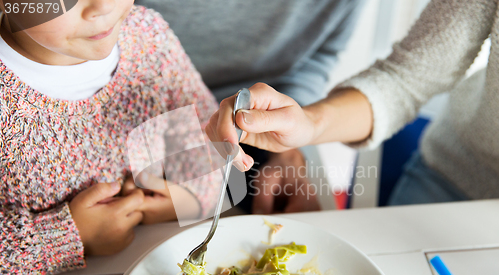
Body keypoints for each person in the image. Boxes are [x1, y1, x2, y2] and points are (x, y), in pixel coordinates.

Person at [0, 1, 220, 275]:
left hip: (155, 273)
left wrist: (189, 198)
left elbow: (208, 141)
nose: (102, 6)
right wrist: (68, 237)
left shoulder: (147, 34)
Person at [207, 0, 499, 206]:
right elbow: (405, 78)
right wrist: (308, 126)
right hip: (457, 180)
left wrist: (300, 143)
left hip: (215, 165)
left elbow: (313, 58)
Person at [135, 0, 365, 214]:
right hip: (141, 116)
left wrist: (289, 147)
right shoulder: (143, 22)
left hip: (259, 127)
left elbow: (314, 60)